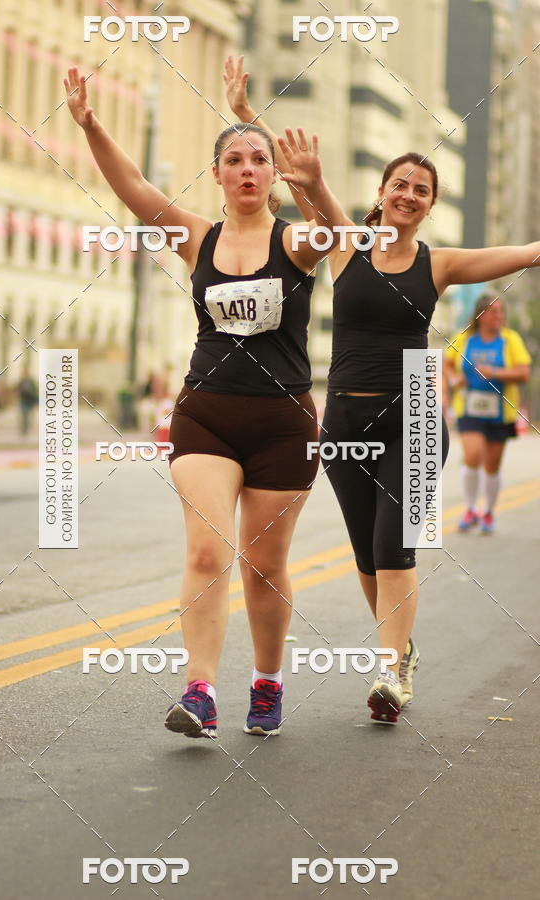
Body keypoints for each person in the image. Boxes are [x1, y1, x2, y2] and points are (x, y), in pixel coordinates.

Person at [226, 54, 540, 724]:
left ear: (430, 205)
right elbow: (301, 179)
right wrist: (249, 117)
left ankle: (391, 674)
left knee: (396, 546)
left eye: (421, 189)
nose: (409, 194)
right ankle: (400, 649)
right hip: (342, 419)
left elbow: (529, 252)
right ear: (381, 192)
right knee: (369, 554)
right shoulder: (345, 244)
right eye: (401, 183)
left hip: (418, 415)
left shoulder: (443, 262)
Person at [65, 66, 344, 738]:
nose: (247, 170)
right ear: (216, 174)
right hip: (206, 415)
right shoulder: (196, 237)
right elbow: (133, 190)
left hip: (283, 425)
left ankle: (268, 683)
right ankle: (199, 691)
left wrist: (312, 179)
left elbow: (338, 235)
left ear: (272, 175)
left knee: (265, 565)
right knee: (203, 554)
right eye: (234, 160)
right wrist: (90, 124)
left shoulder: (295, 242)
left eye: (258, 161)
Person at [444, 294, 531, 534]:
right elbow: (447, 361)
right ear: (481, 315)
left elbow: (523, 373)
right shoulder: (465, 338)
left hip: (500, 412)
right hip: (469, 409)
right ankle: (470, 509)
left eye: (501, 311)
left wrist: (494, 372)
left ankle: (489, 512)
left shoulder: (510, 339)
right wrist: (453, 379)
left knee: (492, 466)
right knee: (473, 454)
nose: (499, 316)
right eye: (494, 311)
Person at [18, 368, 38, 436]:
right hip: (23, 400)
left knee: (28, 414)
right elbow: (18, 389)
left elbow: (35, 390)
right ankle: (24, 429)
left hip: (29, 400)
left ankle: (27, 426)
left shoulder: (31, 381)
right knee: (24, 414)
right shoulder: (21, 381)